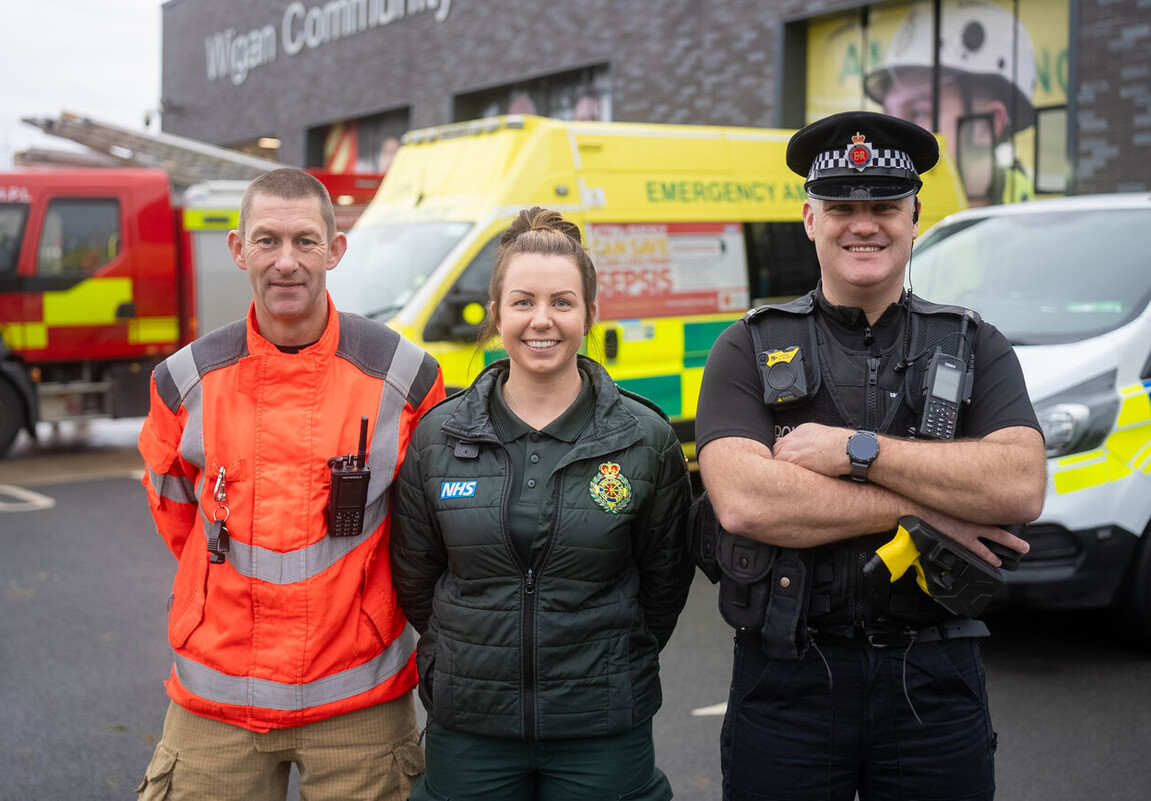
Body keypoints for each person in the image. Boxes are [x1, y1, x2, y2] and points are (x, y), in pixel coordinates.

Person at [694, 111, 1047, 801]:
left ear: (914, 217)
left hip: (934, 679)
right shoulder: (745, 346)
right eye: (841, 207)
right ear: (808, 218)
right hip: (787, 677)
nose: (864, 224)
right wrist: (930, 505)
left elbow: (1018, 484)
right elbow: (744, 499)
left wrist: (854, 452)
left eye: (884, 206)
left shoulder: (975, 344)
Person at [135, 168, 445, 800]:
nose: (286, 262)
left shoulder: (404, 378)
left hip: (358, 699)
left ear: (335, 249)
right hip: (216, 700)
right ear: (237, 247)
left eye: (305, 241)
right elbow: (174, 517)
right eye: (267, 240)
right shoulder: (184, 381)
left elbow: (427, 532)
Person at [391, 207, 694, 801]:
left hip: (602, 725)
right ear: (496, 313)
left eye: (562, 302)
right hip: (471, 720)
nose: (542, 320)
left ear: (589, 314)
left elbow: (665, 582)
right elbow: (415, 579)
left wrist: (605, 660)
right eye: (524, 301)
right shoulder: (437, 437)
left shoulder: (645, 438)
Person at [864, 0, 1037, 204]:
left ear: (987, 125)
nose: (889, 140)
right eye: (888, 117)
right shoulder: (892, 215)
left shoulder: (1030, 224)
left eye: (918, 113)